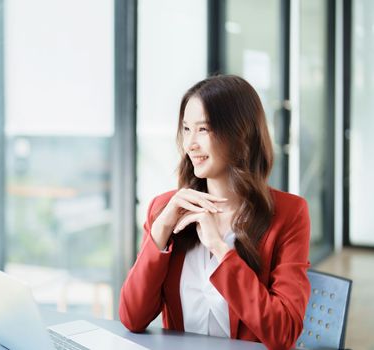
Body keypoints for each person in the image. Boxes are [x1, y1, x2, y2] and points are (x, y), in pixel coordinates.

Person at [119, 75, 310, 350]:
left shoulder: (289, 214)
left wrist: (221, 250)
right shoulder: (165, 209)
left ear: (240, 134)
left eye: (203, 130)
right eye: (186, 129)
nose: (190, 144)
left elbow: (283, 333)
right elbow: (132, 318)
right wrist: (160, 232)